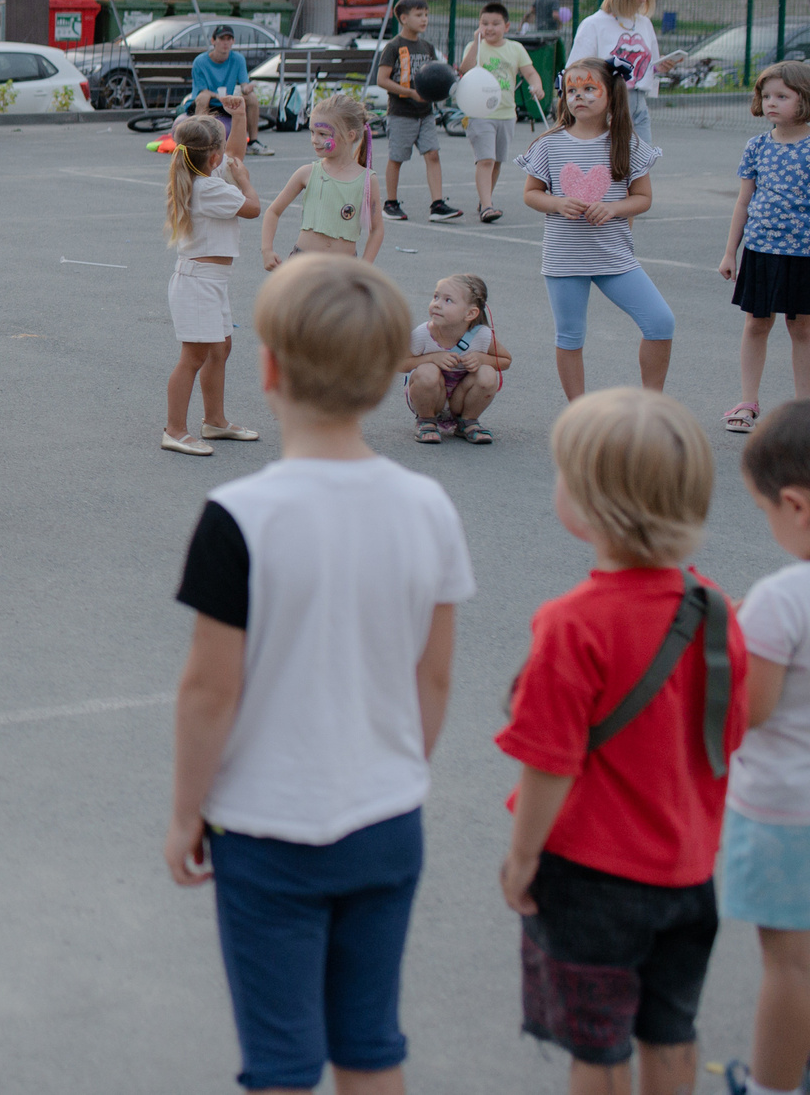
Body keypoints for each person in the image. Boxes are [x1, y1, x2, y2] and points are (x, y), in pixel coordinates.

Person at [166, 254, 471, 1095]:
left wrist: (187, 810)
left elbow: (208, 689)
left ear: (266, 368)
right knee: (371, 1044)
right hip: (386, 816)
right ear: (388, 378)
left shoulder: (238, 517)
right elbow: (435, 678)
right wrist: (401, 769)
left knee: (282, 1060)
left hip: (267, 827)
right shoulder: (429, 508)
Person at [496, 388, 744, 1095]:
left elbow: (549, 762)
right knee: (672, 1035)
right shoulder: (718, 609)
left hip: (589, 874)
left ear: (592, 504)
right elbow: (727, 735)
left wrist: (522, 857)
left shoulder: (572, 622)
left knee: (597, 1049)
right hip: (687, 868)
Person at [723, 401, 810, 1095]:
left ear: (795, 504)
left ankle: (773, 1085)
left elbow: (749, 711)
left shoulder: (782, 599)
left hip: (787, 811)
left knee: (791, 963)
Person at [519, 57, 673, 399]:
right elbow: (531, 194)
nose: (580, 97)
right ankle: (579, 413)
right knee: (570, 336)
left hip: (614, 259)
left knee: (660, 322)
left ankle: (653, 404)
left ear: (611, 95)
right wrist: (557, 203)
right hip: (565, 261)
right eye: (572, 90)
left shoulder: (628, 143)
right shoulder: (549, 144)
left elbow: (643, 198)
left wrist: (615, 208)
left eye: (590, 88)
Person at [162, 115, 262, 456]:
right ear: (213, 157)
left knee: (220, 349)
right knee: (193, 357)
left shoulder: (202, 175)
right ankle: (175, 429)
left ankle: (215, 421)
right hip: (199, 284)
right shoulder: (210, 187)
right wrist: (246, 182)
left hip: (211, 282)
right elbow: (252, 208)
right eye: (221, 151)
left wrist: (238, 117)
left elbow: (235, 153)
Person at [722, 61, 810, 432]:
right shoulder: (757, 145)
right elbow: (743, 201)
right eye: (766, 96)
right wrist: (730, 252)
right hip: (761, 250)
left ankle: (802, 410)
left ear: (804, 100)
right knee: (757, 324)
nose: (771, 103)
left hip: (804, 254)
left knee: (802, 328)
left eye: (782, 96)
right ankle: (747, 402)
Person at [257, 93, 382, 270]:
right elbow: (273, 211)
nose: (315, 140)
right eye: (312, 132)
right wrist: (267, 250)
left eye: (323, 134)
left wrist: (364, 267)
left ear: (350, 135)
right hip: (303, 265)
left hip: (344, 269)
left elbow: (377, 229)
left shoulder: (368, 180)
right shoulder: (307, 173)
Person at [369, 0, 461, 223]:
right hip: (401, 113)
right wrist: (409, 92)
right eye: (419, 15)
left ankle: (437, 204)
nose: (425, 19)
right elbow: (382, 79)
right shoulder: (393, 47)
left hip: (425, 113)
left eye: (426, 15)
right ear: (403, 18)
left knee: (433, 154)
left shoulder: (427, 47)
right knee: (397, 157)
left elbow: (435, 77)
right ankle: (390, 203)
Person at [456, 1, 545, 223]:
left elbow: (530, 72)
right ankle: (487, 206)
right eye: (484, 23)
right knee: (485, 159)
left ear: (507, 26)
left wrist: (537, 85)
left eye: (495, 23)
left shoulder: (515, 48)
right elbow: (464, 70)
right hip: (479, 113)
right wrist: (476, 43)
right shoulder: (474, 47)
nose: (489, 28)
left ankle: (485, 198)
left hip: (506, 113)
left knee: (496, 161)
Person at [399, 274, 510, 446]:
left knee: (488, 372)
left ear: (470, 313)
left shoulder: (482, 335)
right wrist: (432, 358)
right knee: (427, 370)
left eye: (448, 300)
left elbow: (505, 361)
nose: (437, 304)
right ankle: (426, 420)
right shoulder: (423, 334)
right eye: (436, 297)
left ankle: (468, 421)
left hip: (462, 398)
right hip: (431, 397)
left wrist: (482, 358)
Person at [570, 0, 664, 146]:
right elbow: (575, 70)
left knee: (643, 163)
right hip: (608, 102)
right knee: (612, 165)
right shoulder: (594, 24)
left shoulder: (644, 23)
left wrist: (662, 67)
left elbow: (651, 64)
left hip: (638, 104)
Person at [189, 24, 272, 157]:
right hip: (207, 102)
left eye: (229, 39)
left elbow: (244, 85)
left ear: (233, 41)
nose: (225, 43)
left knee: (252, 98)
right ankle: (200, 142)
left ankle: (253, 142)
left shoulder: (238, 59)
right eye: (222, 39)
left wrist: (248, 88)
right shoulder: (200, 61)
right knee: (203, 97)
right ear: (213, 41)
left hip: (226, 105)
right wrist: (218, 96)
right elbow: (202, 91)